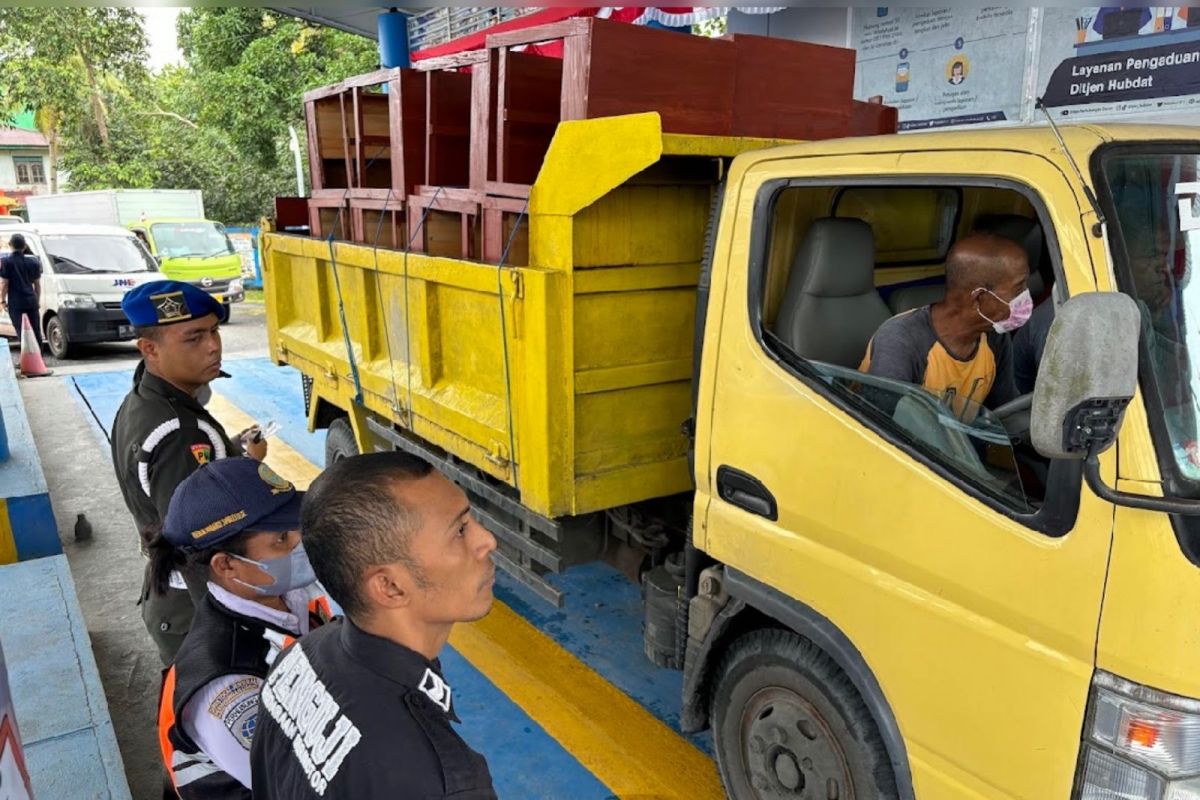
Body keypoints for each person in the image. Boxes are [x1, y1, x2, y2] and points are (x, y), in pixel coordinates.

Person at [250, 452, 499, 799]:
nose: (487, 540)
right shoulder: (438, 782)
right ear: (390, 587)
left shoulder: (303, 656)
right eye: (460, 530)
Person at [111, 279, 268, 664]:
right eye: (193, 338)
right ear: (150, 349)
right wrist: (236, 622)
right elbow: (196, 541)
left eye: (214, 331)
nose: (213, 345)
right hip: (199, 613)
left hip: (177, 603)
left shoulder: (144, 401)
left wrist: (235, 455)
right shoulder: (179, 433)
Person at [155, 457, 329, 799]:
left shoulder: (290, 594)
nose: (300, 541)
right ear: (227, 565)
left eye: (297, 524)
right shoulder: (226, 686)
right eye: (281, 538)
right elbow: (306, 785)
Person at [861, 233, 1030, 415]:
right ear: (979, 298)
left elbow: (1005, 411)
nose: (1026, 295)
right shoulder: (901, 340)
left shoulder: (995, 338)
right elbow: (882, 426)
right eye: (1019, 289)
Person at [0, 233, 42, 348]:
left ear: (10, 245)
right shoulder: (33, 262)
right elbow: (37, 285)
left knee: (21, 330)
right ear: (24, 246)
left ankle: (27, 359)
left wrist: (2, 300)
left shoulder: (6, 262)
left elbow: (4, 284)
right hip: (31, 300)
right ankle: (39, 358)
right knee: (35, 329)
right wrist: (37, 300)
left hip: (16, 302)